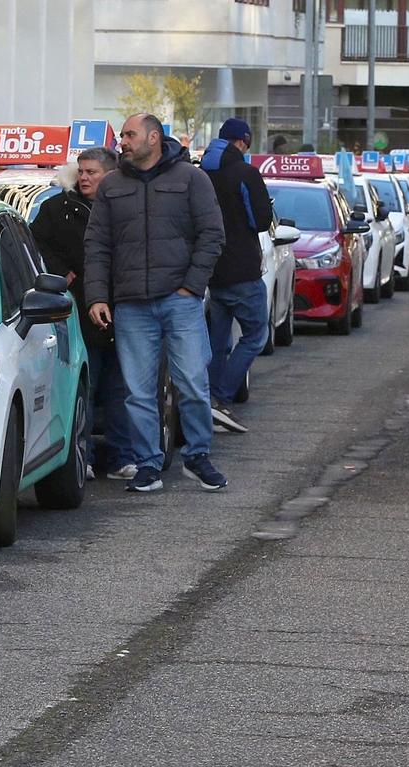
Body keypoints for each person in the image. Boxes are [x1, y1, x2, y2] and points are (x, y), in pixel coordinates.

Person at [83, 113, 226, 494]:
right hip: (130, 305)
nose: (123, 142)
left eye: (129, 135)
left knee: (193, 382)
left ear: (153, 138)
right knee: (139, 392)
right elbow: (96, 244)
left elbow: (212, 234)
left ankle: (197, 456)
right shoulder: (112, 186)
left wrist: (191, 287)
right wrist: (97, 295)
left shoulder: (191, 179)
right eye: (123, 136)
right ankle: (148, 464)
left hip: (179, 301)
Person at [34, 147, 129, 480]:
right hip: (77, 312)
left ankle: (121, 458)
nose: (85, 177)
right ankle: (81, 456)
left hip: (123, 308)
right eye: (82, 171)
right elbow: (36, 246)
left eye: (93, 172)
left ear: (110, 174)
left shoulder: (126, 206)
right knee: (83, 388)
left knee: (121, 388)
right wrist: (60, 271)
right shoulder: (56, 208)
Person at [198, 118, 272, 435]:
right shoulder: (245, 173)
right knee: (256, 335)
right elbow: (260, 221)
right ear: (242, 142)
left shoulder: (200, 173)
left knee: (217, 341)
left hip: (211, 270)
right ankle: (219, 396)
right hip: (242, 268)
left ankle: (207, 397)